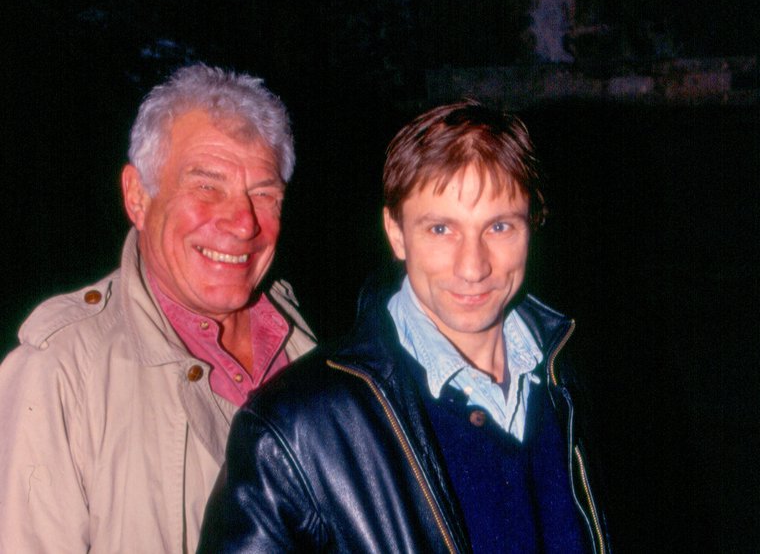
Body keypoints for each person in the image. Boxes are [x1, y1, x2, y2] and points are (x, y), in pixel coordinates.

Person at [199, 100, 611, 553]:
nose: (472, 267)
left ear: (532, 226)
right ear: (396, 233)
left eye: (499, 227)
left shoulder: (574, 379)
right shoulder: (293, 428)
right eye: (440, 229)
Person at [0, 64, 316, 552]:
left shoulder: (312, 349)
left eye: (264, 194)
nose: (242, 223)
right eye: (207, 186)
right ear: (137, 197)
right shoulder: (61, 372)